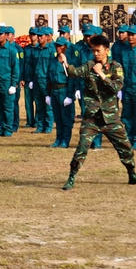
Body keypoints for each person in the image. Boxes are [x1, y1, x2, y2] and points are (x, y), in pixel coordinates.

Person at [58, 34, 136, 190]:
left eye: (98, 51)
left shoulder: (116, 67)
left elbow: (115, 87)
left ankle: (131, 172)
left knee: (125, 148)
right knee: (82, 148)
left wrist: (101, 74)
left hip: (111, 118)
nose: (96, 54)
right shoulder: (89, 65)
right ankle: (71, 177)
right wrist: (65, 64)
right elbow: (75, 72)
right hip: (92, 118)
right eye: (93, 51)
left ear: (106, 50)